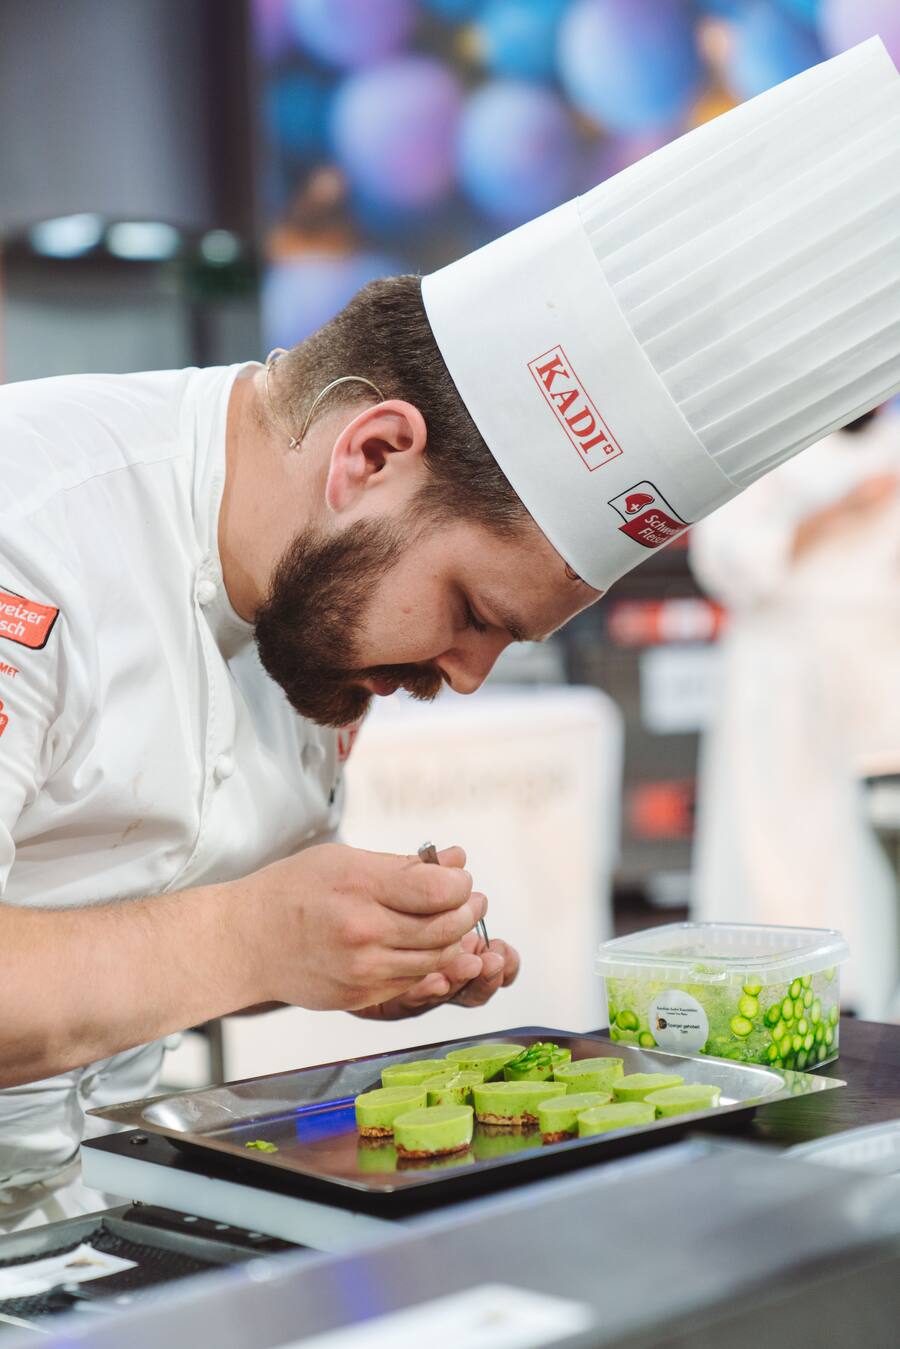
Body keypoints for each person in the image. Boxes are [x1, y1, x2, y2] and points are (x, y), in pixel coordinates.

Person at [2, 36, 899, 1227]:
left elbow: (128, 935)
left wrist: (345, 955)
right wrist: (251, 937)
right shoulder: (32, 519)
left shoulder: (317, 622)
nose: (467, 673)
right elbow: (195, 936)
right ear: (373, 454)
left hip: (70, 1204)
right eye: (473, 610)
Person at [690, 409, 900, 1018]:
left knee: (871, 848)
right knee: (776, 842)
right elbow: (727, 563)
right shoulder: (768, 439)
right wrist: (838, 511)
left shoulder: (892, 441)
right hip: (779, 682)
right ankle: (776, 1001)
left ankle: (872, 993)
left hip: (876, 682)